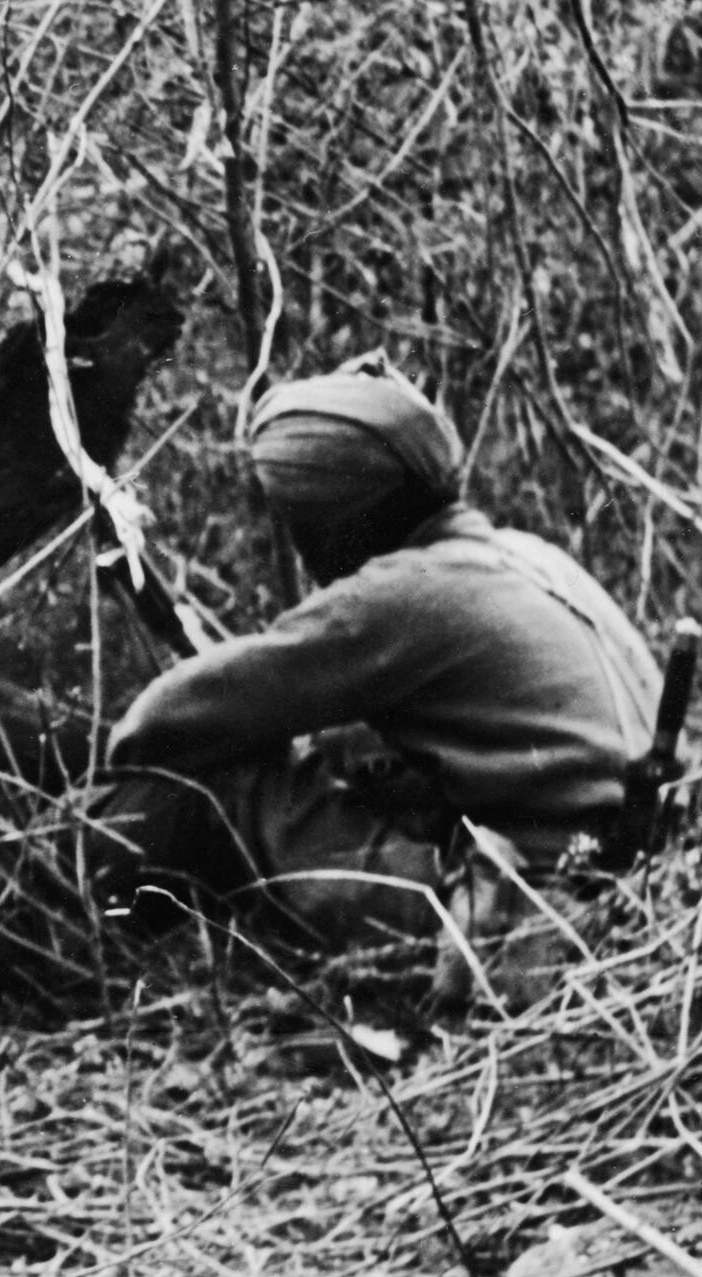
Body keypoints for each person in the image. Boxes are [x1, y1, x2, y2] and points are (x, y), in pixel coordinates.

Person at [97, 371, 662, 994]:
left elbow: (161, 724)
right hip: (631, 889)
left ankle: (41, 938)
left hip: (524, 913)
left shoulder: (405, 594)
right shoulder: (526, 553)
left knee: (215, 790)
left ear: (333, 523)